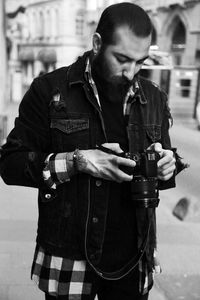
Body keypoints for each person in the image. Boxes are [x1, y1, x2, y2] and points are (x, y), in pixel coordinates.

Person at [0, 2, 186, 300]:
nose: (131, 72)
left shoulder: (153, 97)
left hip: (134, 258)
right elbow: (10, 164)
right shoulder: (50, 90)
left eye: (140, 62)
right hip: (70, 257)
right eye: (122, 59)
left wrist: (168, 163)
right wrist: (78, 161)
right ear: (97, 43)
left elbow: (164, 161)